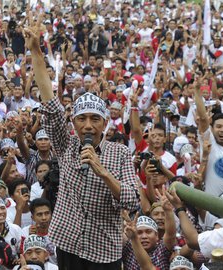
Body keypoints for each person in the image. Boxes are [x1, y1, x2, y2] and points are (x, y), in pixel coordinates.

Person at [25, 21, 140, 269]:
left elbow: (133, 200)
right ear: (74, 123)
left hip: (104, 251)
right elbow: (50, 102)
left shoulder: (119, 153)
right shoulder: (66, 144)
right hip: (68, 243)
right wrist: (36, 52)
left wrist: (103, 172)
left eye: (94, 119)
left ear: (105, 123)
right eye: (82, 119)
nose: (88, 126)